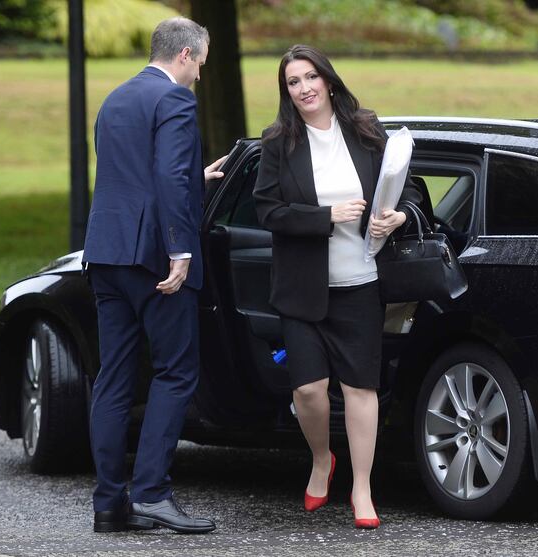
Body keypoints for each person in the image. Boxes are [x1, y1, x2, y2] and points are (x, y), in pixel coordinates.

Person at [253, 44, 422, 529]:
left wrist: (399, 215)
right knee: (308, 390)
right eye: (293, 82)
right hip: (302, 290)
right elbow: (268, 211)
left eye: (311, 77)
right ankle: (322, 458)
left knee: (360, 389)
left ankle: (362, 488)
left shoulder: (367, 130)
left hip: (360, 283)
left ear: (328, 80)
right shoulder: (278, 142)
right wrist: (325, 216)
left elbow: (409, 188)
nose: (304, 88)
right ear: (286, 91)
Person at [82, 17, 224, 534]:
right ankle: (151, 495)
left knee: (114, 378)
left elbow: (132, 176)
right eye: (201, 65)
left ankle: (108, 504)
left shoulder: (115, 99)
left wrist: (196, 179)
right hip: (154, 260)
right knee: (175, 372)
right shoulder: (176, 101)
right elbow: (164, 177)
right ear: (185, 55)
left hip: (106, 254)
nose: (200, 78)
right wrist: (180, 250)